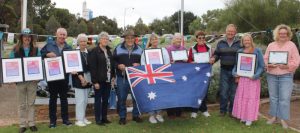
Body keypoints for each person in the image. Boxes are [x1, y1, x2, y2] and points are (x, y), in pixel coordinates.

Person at [264, 24, 300, 128]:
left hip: (286, 75)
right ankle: (274, 117)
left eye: (284, 33)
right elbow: (265, 59)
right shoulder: (271, 45)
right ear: (277, 34)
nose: (282, 35)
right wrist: (269, 64)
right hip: (272, 75)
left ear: (288, 34)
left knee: (284, 98)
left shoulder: (291, 45)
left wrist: (287, 66)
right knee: (273, 97)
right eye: (280, 33)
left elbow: (297, 60)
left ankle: (283, 119)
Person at [41, 28, 73, 128]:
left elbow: (72, 60)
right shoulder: (49, 45)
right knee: (53, 99)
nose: (62, 36)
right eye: (60, 34)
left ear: (66, 36)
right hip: (53, 77)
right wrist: (47, 54)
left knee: (64, 99)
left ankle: (65, 120)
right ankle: (52, 121)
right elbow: (41, 54)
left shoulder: (69, 47)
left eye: (64, 35)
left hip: (64, 77)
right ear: (56, 34)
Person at [9, 28, 40, 133]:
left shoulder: (36, 50)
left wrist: (38, 76)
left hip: (32, 81)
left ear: (31, 38)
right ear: (21, 38)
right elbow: (11, 65)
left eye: (29, 37)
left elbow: (39, 64)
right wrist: (12, 77)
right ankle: (22, 124)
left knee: (31, 103)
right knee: (21, 104)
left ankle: (31, 123)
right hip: (20, 81)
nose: (27, 38)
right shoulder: (15, 50)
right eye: (25, 36)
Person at [231, 34, 265, 126]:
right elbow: (236, 66)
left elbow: (262, 66)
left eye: (248, 40)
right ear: (242, 41)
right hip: (242, 80)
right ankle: (243, 116)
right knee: (242, 98)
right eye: (245, 40)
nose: (247, 42)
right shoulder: (240, 51)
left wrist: (255, 75)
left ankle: (249, 118)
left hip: (253, 80)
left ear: (251, 41)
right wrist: (234, 73)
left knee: (251, 99)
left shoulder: (257, 51)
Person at [113, 29, 143, 125]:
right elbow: (112, 61)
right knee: (122, 98)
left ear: (135, 38)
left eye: (132, 38)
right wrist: (118, 65)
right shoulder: (118, 48)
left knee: (136, 97)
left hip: (135, 77)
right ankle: (122, 117)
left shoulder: (140, 49)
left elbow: (144, 63)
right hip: (122, 77)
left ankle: (135, 115)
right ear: (124, 39)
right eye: (128, 38)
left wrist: (139, 64)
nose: (130, 39)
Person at [211, 24, 242, 117]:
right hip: (224, 70)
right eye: (229, 31)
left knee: (233, 93)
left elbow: (244, 55)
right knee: (223, 92)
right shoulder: (220, 43)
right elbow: (217, 54)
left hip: (235, 71)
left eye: (232, 31)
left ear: (235, 33)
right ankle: (222, 110)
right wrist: (213, 59)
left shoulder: (240, 43)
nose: (230, 33)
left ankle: (232, 111)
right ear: (226, 31)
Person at [140, 33, 170, 123]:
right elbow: (143, 63)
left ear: (158, 40)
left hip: (160, 75)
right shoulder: (146, 51)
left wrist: (161, 70)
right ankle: (152, 115)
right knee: (151, 95)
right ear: (150, 41)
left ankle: (159, 114)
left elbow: (167, 62)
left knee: (160, 95)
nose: (154, 41)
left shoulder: (163, 50)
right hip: (150, 75)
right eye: (152, 39)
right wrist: (149, 70)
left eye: (156, 39)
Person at [89, 31, 115, 126]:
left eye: (107, 39)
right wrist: (95, 81)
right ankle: (98, 119)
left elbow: (111, 65)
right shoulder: (94, 51)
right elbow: (93, 67)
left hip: (108, 80)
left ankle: (104, 118)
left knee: (105, 100)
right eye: (103, 38)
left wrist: (113, 76)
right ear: (99, 40)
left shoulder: (109, 51)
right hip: (99, 81)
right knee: (98, 100)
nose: (105, 40)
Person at [187, 31, 212, 118]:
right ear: (196, 39)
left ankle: (204, 110)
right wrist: (193, 62)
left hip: (206, 73)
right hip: (196, 73)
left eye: (203, 38)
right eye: (199, 38)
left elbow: (212, 59)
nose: (201, 39)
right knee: (196, 92)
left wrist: (211, 60)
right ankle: (194, 111)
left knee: (204, 91)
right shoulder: (192, 48)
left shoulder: (209, 47)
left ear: (205, 39)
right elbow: (189, 60)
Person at [71, 34, 92, 127]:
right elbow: (74, 67)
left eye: (85, 41)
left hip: (87, 79)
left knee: (85, 100)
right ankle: (79, 119)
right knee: (80, 100)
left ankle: (83, 117)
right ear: (78, 42)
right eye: (81, 41)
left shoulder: (88, 53)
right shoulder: (74, 53)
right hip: (78, 79)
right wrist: (81, 78)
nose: (83, 43)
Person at [165, 33, 187, 118]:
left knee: (180, 92)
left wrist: (185, 60)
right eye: (177, 39)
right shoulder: (168, 49)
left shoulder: (183, 48)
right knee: (170, 93)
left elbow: (187, 60)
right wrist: (171, 61)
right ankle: (170, 113)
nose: (178, 40)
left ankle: (179, 112)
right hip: (171, 73)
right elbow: (165, 61)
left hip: (181, 73)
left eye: (179, 39)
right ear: (173, 39)